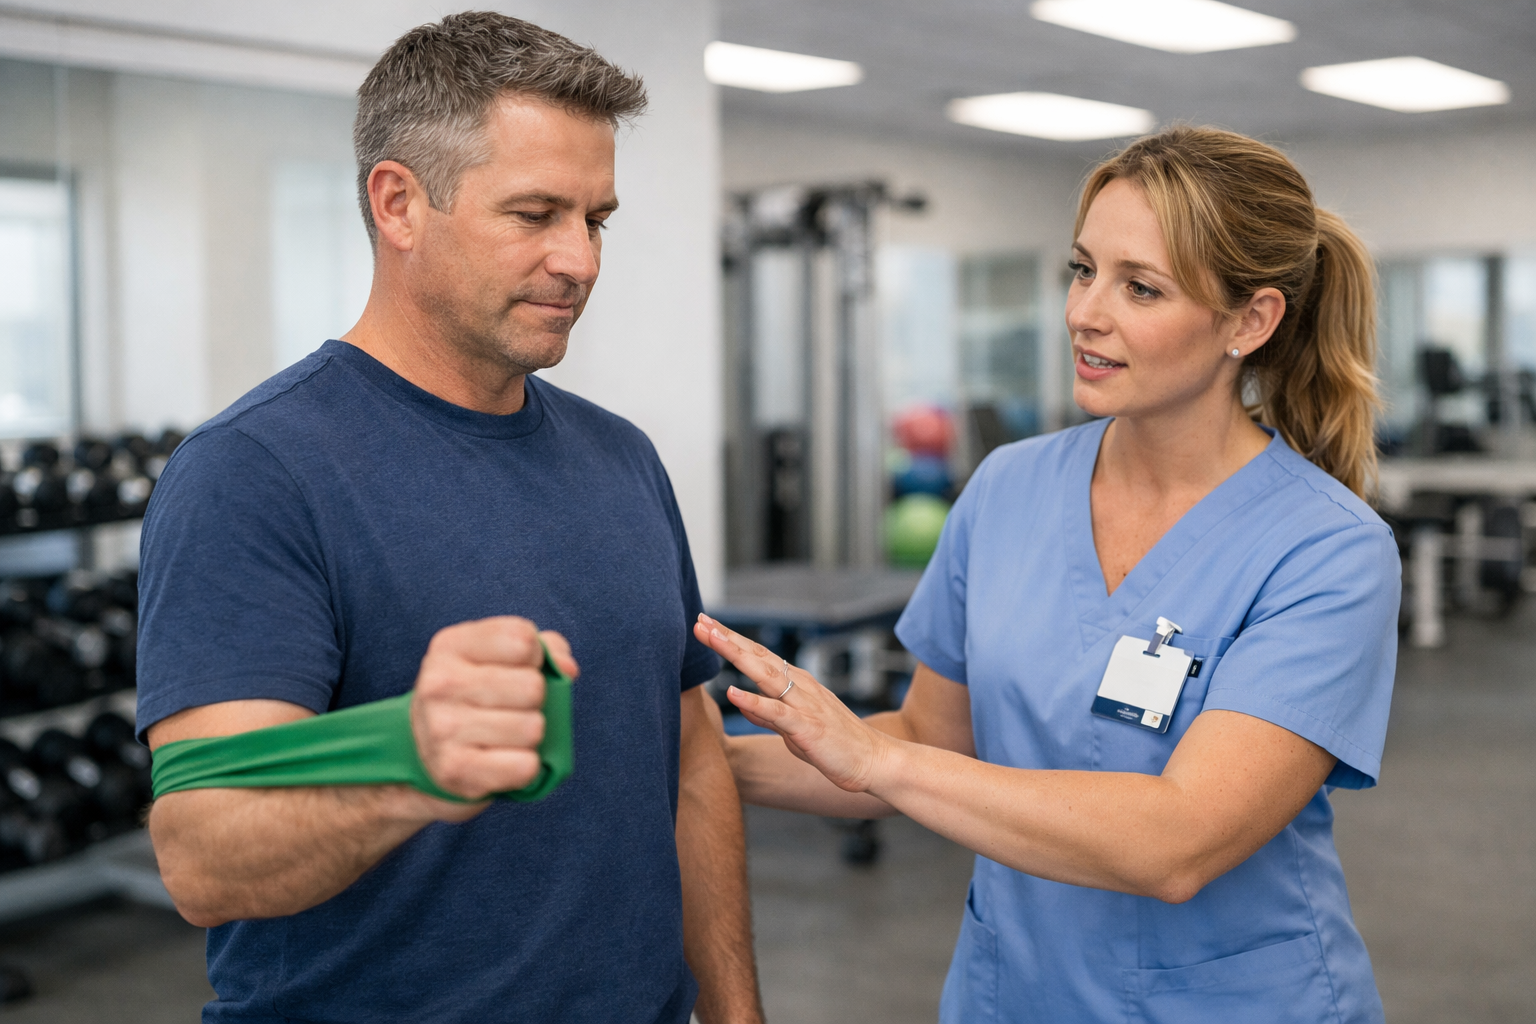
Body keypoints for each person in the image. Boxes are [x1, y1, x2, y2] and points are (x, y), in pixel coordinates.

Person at [139, 13, 761, 1024]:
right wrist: (409, 767)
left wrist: (737, 1011)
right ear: (398, 204)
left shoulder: (623, 460)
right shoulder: (251, 473)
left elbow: (689, 761)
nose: (581, 260)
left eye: (595, 219)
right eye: (535, 213)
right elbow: (203, 853)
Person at [698, 126, 1398, 1024]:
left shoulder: (1326, 550)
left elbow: (1179, 840)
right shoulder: (1009, 487)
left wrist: (877, 758)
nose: (1084, 312)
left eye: (1139, 287)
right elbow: (931, 741)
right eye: (1082, 270)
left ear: (1250, 321)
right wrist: (701, 763)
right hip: (1013, 995)